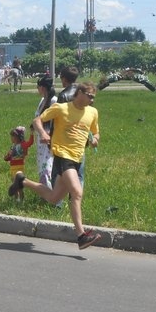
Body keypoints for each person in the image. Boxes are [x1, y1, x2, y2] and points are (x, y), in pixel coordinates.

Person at [9, 82, 101, 250]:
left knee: (53, 198)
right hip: (62, 155)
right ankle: (81, 236)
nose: (92, 100)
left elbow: (95, 133)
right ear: (79, 93)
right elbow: (37, 120)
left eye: (94, 97)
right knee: (77, 192)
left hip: (78, 157)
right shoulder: (61, 108)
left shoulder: (92, 112)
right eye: (89, 96)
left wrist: (94, 140)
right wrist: (43, 133)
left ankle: (22, 181)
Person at [34, 75, 57, 188]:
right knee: (42, 165)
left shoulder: (54, 101)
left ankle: (50, 192)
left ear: (42, 87)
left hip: (49, 138)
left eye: (38, 87)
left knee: (48, 165)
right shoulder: (43, 100)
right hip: (40, 139)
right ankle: (45, 191)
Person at [4, 126, 34, 202]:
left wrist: (31, 133)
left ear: (18, 137)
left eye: (13, 136)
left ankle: (21, 199)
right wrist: (7, 156)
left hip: (19, 167)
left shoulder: (22, 145)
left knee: (18, 184)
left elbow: (30, 142)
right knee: (14, 184)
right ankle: (16, 199)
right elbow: (7, 158)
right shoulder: (13, 147)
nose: (12, 138)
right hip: (12, 167)